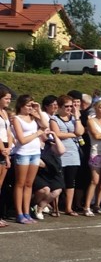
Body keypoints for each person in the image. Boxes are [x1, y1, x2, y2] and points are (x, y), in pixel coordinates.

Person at [11, 95, 50, 224]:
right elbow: (22, 140)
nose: (30, 108)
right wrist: (37, 133)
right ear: (21, 105)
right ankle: (19, 213)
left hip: (35, 152)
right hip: (23, 153)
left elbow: (45, 125)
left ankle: (27, 212)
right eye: (28, 105)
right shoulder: (17, 119)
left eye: (31, 105)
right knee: (20, 183)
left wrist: (38, 110)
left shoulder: (33, 117)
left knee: (29, 184)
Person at [49, 95, 84, 217]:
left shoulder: (73, 119)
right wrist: (73, 134)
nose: (69, 108)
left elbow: (80, 131)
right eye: (66, 106)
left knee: (70, 181)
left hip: (73, 153)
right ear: (59, 107)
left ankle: (69, 207)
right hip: (60, 152)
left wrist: (77, 117)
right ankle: (56, 207)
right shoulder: (54, 119)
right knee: (58, 181)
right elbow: (57, 134)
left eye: (71, 106)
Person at [83, 100, 101, 216]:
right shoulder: (91, 121)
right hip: (96, 152)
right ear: (96, 108)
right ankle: (87, 206)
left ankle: (97, 204)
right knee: (94, 180)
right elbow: (95, 135)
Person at [31, 134, 66, 220]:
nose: (48, 132)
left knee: (57, 190)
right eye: (45, 130)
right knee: (45, 190)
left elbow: (62, 151)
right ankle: (32, 204)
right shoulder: (34, 143)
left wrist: (55, 136)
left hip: (52, 171)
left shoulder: (50, 143)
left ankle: (40, 207)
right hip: (39, 172)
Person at [0, 87, 13, 226]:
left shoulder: (4, 112)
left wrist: (8, 149)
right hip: (0, 148)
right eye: (6, 98)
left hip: (5, 149)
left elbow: (8, 132)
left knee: (1, 184)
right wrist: (3, 149)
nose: (8, 101)